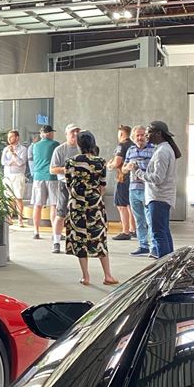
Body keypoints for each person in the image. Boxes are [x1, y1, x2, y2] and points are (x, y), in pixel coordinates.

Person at [64, 131, 118, 287]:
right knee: (99, 239)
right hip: (95, 205)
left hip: (76, 204)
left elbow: (68, 185)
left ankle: (85, 276)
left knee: (80, 239)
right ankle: (108, 275)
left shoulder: (70, 162)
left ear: (79, 144)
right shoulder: (100, 162)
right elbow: (102, 186)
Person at [144, 120, 181, 258]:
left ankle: (165, 265)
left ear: (158, 134)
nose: (146, 135)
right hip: (161, 197)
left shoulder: (162, 152)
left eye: (148, 132)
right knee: (164, 232)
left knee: (159, 233)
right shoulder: (164, 149)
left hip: (158, 198)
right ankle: (170, 262)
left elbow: (158, 178)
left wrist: (138, 172)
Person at [122, 125, 155, 257]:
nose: (140, 138)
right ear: (133, 137)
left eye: (142, 135)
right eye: (137, 135)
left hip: (148, 189)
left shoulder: (153, 149)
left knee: (150, 220)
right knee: (139, 219)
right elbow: (123, 169)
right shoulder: (130, 150)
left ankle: (154, 246)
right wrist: (128, 167)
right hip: (133, 189)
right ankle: (143, 245)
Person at [49, 123, 81, 253]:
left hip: (80, 185)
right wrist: (68, 168)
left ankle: (77, 242)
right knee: (61, 213)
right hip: (65, 184)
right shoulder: (60, 150)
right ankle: (56, 242)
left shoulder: (83, 149)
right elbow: (52, 169)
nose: (75, 134)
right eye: (72, 132)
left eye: (77, 132)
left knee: (79, 215)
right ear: (66, 134)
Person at [29, 124, 59, 240]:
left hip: (38, 177)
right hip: (51, 177)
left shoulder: (35, 146)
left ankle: (36, 231)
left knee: (37, 205)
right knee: (54, 205)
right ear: (50, 133)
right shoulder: (55, 144)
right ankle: (55, 232)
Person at [108, 124, 136, 240]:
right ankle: (133, 229)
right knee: (130, 205)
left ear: (121, 134)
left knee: (121, 205)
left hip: (122, 178)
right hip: (133, 178)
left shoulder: (122, 145)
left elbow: (117, 162)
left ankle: (125, 231)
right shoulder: (133, 145)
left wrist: (109, 165)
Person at [0, 130, 28, 227]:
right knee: (9, 198)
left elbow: (20, 162)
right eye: (8, 137)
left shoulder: (23, 149)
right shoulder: (5, 149)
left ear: (17, 137)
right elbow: (3, 162)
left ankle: (20, 219)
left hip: (18, 175)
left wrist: (13, 154)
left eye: (11, 137)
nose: (9, 139)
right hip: (8, 175)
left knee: (18, 197)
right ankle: (9, 218)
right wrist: (12, 161)